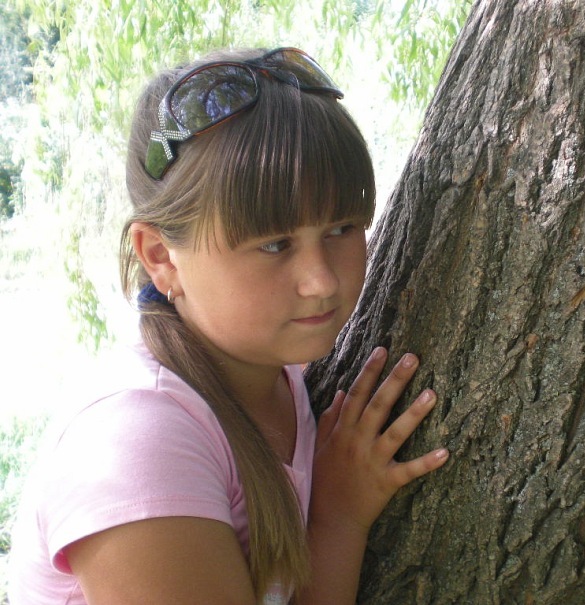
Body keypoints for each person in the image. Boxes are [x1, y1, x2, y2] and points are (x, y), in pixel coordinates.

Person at [8, 46, 448, 604]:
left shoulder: (272, 370)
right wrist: (337, 519)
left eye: (341, 228)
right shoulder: (137, 446)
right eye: (274, 244)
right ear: (161, 257)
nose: (321, 281)